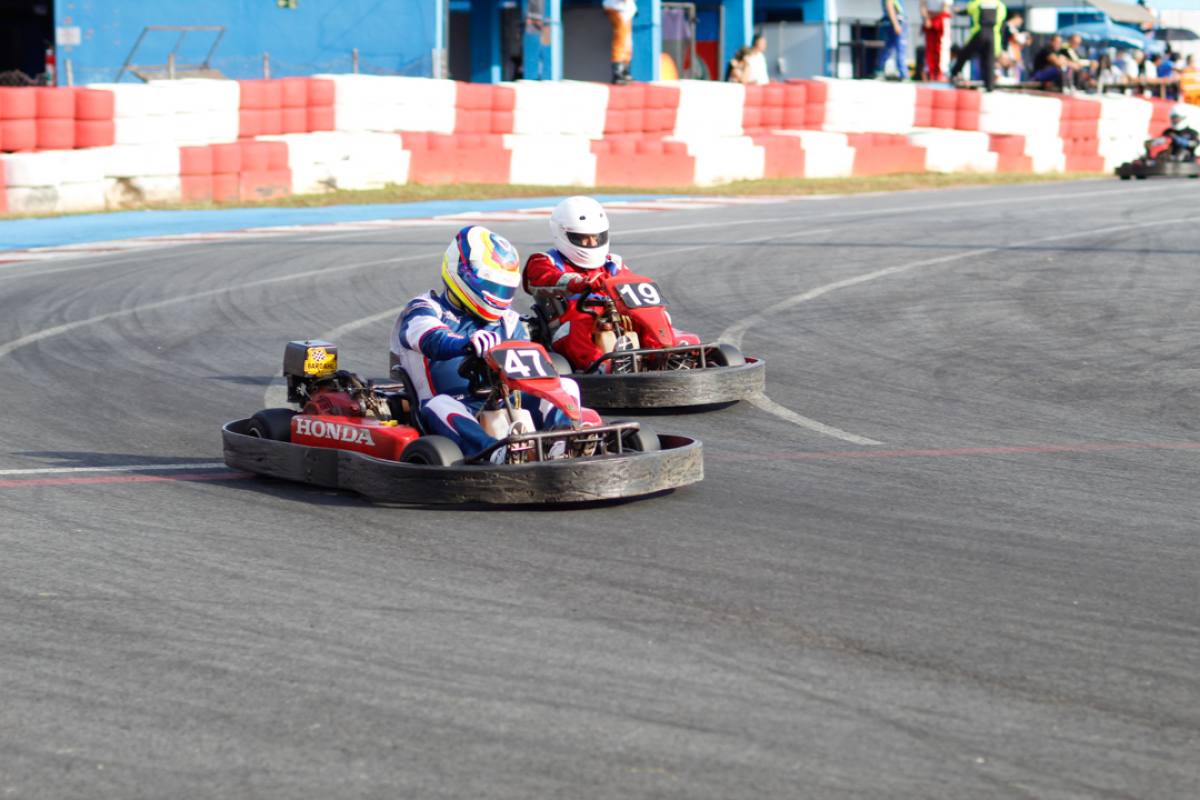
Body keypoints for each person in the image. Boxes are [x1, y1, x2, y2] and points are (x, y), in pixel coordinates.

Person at [390, 225, 593, 462]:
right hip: (450, 407)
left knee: (566, 386)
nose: (498, 294)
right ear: (462, 272)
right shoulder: (425, 308)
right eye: (492, 286)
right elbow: (429, 337)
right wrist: (465, 344)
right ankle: (497, 454)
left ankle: (563, 445)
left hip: (505, 401)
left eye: (504, 288)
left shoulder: (509, 320)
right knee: (440, 405)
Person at [523, 196, 699, 372]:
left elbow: (630, 285)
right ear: (562, 234)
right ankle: (603, 367)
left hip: (613, 316)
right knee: (581, 322)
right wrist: (578, 282)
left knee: (647, 316)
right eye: (583, 238)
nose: (592, 243)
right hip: (568, 327)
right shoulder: (544, 261)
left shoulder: (613, 263)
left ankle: (663, 354)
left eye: (597, 237)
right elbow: (545, 278)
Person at [949, 0, 1007, 91]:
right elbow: (1002, 25)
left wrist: (956, 10)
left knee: (964, 54)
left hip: (979, 33)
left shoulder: (977, 2)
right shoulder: (1000, 5)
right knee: (989, 60)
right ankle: (989, 86)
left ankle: (954, 73)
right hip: (993, 36)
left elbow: (964, 11)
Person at [603, 0, 637, 85]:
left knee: (627, 41)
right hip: (617, 8)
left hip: (626, 10)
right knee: (621, 40)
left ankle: (624, 71)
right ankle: (617, 73)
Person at [876, 0, 909, 80]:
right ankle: (903, 74)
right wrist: (896, 24)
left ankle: (879, 70)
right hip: (895, 23)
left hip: (893, 23)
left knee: (888, 48)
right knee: (899, 49)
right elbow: (890, 6)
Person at [920, 0, 952, 81]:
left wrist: (931, 17)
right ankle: (929, 72)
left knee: (942, 47)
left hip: (941, 19)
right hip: (929, 20)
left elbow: (945, 7)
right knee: (930, 48)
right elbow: (922, 4)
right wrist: (927, 19)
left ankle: (942, 72)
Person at [1000, 11, 1030, 79]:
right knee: (1007, 72)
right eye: (1020, 20)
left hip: (1012, 55)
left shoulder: (1012, 28)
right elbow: (1017, 38)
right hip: (1007, 54)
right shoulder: (1007, 27)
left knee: (1013, 72)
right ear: (1016, 18)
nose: (1020, 23)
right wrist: (1025, 36)